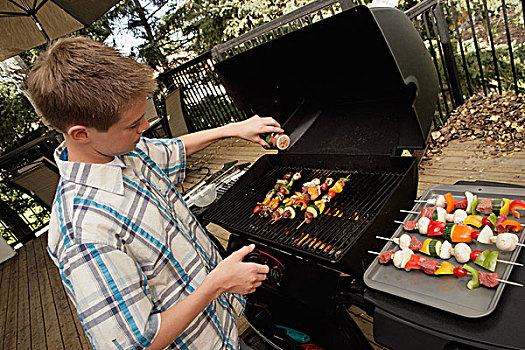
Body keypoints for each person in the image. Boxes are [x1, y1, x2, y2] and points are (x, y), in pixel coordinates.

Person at [26, 36, 284, 350]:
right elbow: (137, 344)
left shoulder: (123, 151)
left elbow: (171, 148)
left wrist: (232, 129)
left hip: (222, 332)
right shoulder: (83, 232)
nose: (146, 126)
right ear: (81, 133)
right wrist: (216, 284)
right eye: (133, 124)